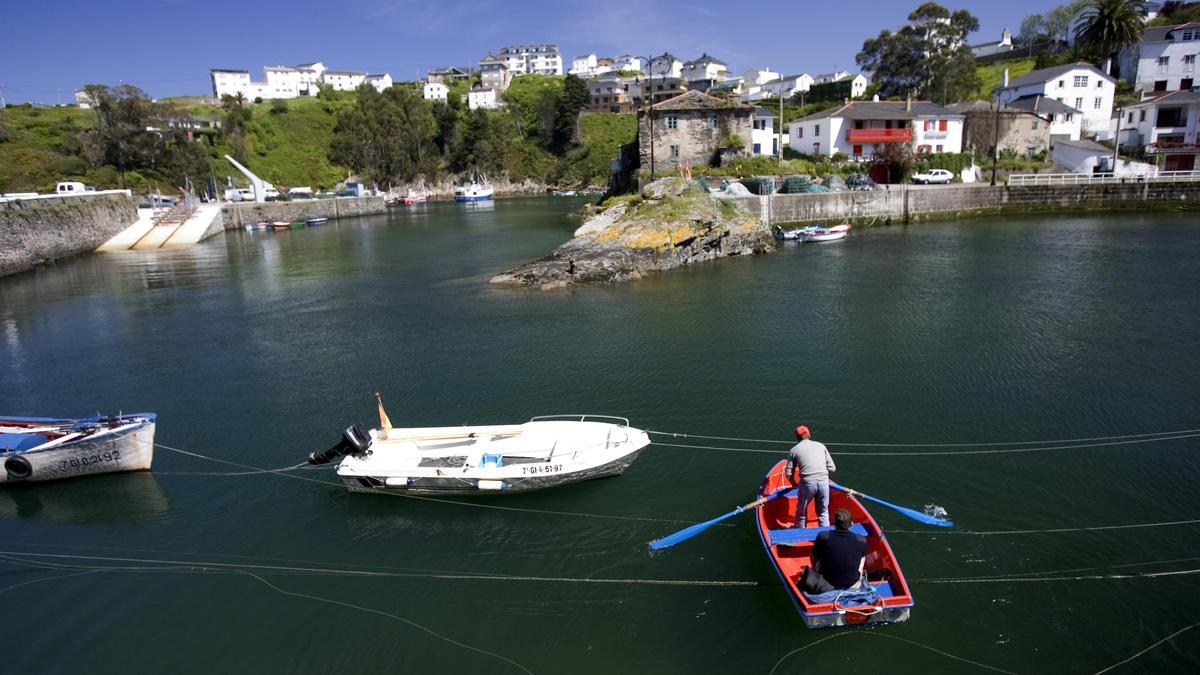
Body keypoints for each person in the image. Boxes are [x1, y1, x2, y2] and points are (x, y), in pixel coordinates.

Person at [800, 508, 868, 594]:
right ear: (852, 524)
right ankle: (858, 577)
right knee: (863, 556)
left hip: (827, 580)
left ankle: (818, 574)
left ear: (834, 523)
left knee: (814, 553)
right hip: (852, 582)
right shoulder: (861, 539)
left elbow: (815, 555)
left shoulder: (823, 536)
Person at [785, 425, 836, 528]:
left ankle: (800, 533)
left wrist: (794, 484)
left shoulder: (794, 450)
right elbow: (832, 468)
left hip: (807, 484)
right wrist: (822, 475)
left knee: (801, 511)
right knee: (823, 512)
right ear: (809, 434)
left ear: (797, 437)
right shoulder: (821, 446)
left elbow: (788, 473)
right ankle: (825, 536)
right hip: (823, 482)